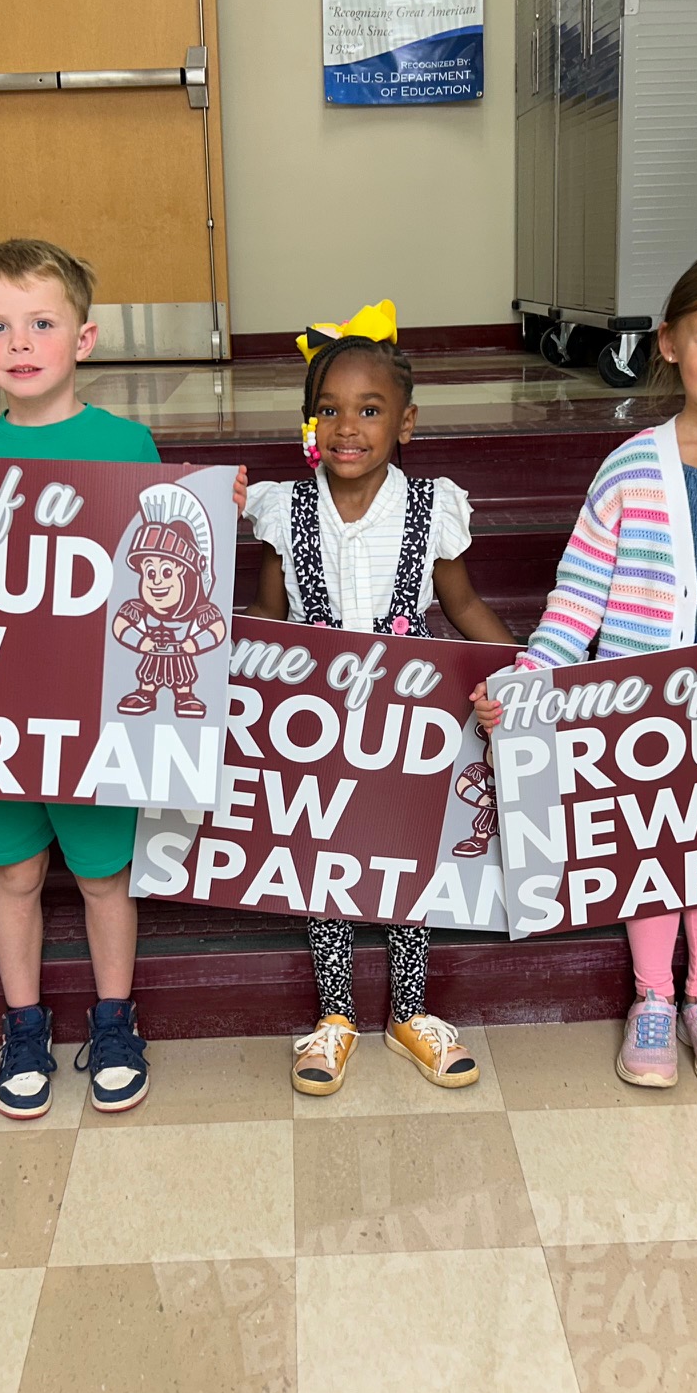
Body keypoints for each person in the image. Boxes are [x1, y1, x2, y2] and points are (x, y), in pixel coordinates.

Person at [475, 245, 697, 1090]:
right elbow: (578, 600)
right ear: (668, 344)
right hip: (647, 701)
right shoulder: (631, 468)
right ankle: (652, 997)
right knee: (656, 847)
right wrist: (529, 680)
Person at [0, 237, 244, 1120]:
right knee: (12, 876)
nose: (21, 341)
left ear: (83, 338)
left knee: (104, 877)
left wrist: (211, 515)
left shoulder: (126, 442)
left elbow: (167, 553)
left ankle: (114, 1021)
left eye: (41, 322)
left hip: (98, 712)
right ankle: (25, 1024)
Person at [243, 301, 518, 1095]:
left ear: (406, 422)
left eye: (369, 410)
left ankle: (409, 1011)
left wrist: (512, 673)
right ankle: (334, 1017)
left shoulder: (432, 505)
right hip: (315, 717)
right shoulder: (282, 507)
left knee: (407, 858)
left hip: (408, 718)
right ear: (307, 423)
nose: (347, 427)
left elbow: (462, 607)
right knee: (324, 860)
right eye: (328, 410)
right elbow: (268, 613)